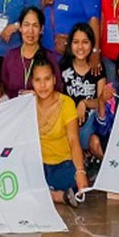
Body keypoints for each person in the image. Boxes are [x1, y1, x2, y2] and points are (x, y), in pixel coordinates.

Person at [32, 53, 88, 207]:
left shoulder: (66, 103)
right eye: (38, 80)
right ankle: (57, 196)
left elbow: (74, 141)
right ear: (32, 82)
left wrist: (80, 172)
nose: (43, 85)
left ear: (54, 80)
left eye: (47, 79)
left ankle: (44, 193)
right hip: (39, 164)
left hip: (63, 164)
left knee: (76, 183)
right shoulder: (28, 104)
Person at [60, 24, 106, 153]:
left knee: (96, 141)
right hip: (68, 124)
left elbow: (101, 101)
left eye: (85, 42)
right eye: (76, 42)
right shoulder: (63, 67)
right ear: (70, 44)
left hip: (90, 124)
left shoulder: (97, 68)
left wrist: (84, 103)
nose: (80, 47)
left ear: (92, 44)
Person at [1, 6, 63, 98]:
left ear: (41, 29)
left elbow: (58, 90)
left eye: (35, 25)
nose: (30, 31)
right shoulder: (10, 56)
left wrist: (38, 96)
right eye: (26, 25)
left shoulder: (49, 58)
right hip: (14, 106)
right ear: (20, 27)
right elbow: (3, 90)